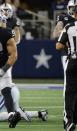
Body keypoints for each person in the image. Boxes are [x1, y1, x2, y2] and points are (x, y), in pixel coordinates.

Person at [56, 3, 77, 131]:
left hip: (73, 60)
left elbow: (58, 46)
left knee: (69, 93)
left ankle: (68, 121)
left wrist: (69, 47)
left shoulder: (69, 26)